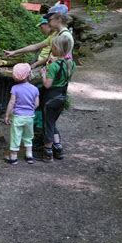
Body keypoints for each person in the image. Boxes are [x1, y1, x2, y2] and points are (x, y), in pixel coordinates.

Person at [40, 34, 76, 162]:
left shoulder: (54, 67)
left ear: (58, 49)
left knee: (47, 124)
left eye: (53, 46)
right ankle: (58, 148)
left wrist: (44, 74)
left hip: (50, 98)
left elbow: (47, 85)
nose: (52, 48)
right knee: (52, 122)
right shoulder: (71, 64)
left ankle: (48, 152)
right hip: (61, 97)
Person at [4, 63, 40, 165]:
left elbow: (12, 103)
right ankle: (29, 156)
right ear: (29, 74)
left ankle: (14, 157)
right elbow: (36, 104)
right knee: (28, 136)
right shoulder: (35, 89)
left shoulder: (15, 88)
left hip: (18, 117)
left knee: (16, 135)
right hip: (29, 117)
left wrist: (7, 115)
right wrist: (29, 109)